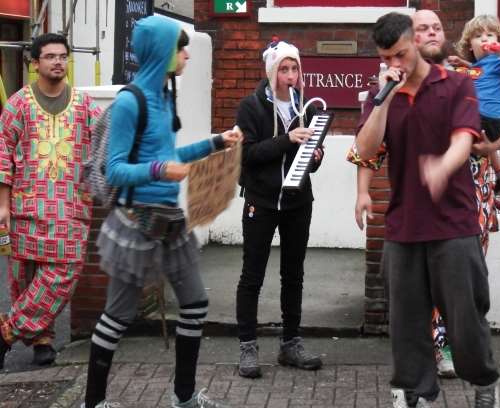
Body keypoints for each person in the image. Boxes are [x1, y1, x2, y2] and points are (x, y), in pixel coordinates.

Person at [351, 9, 500, 380]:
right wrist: (362, 190)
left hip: (467, 204)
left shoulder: (464, 78)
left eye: (436, 27)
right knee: (410, 314)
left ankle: (476, 372)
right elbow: (366, 150)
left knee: (466, 305)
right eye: (422, 28)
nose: (430, 33)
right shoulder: (383, 89)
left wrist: (476, 151)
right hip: (410, 218)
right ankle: (420, 378)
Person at [81, 16, 240, 408]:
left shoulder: (164, 97)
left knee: (196, 304)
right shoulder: (128, 102)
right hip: (135, 225)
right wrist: (158, 169)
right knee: (117, 316)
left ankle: (183, 398)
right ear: (159, 53)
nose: (185, 54)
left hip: (169, 222)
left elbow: (170, 157)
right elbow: (116, 168)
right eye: (179, 48)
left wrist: (215, 143)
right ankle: (93, 403)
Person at [0, 33, 101, 369]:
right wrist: (3, 205)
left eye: (62, 56)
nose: (58, 62)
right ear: (35, 62)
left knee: (63, 269)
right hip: (25, 205)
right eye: (50, 56)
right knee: (24, 277)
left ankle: (8, 332)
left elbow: (108, 140)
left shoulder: (85, 106)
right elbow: (2, 156)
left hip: (71, 207)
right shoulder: (18, 104)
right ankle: (42, 339)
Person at [234, 38, 324, 379]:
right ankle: (247, 346)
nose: (290, 75)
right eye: (283, 69)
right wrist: (288, 139)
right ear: (271, 71)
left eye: (294, 68)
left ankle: (291, 343)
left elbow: (309, 160)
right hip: (262, 199)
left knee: (294, 274)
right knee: (252, 274)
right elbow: (248, 154)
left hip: (298, 201)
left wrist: (315, 156)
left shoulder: (308, 107)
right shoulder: (251, 107)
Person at [449, 14, 500, 194]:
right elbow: (479, 72)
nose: (484, 38)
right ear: (470, 45)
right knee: (482, 140)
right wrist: (463, 63)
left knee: (453, 119)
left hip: (488, 118)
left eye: (490, 35)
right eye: (478, 36)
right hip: (486, 121)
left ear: (498, 40)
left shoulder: (499, 62)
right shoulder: (482, 65)